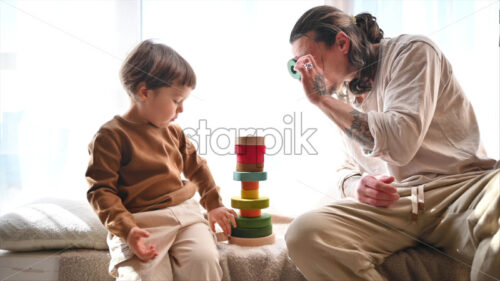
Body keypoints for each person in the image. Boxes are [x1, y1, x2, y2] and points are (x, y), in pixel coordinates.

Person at [285, 5, 500, 281]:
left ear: (341, 42)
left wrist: (322, 100)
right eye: (299, 66)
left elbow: (400, 143)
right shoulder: (340, 97)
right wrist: (355, 186)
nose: (308, 73)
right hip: (397, 203)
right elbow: (345, 167)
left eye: (310, 61)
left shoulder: (412, 52)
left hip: (459, 188)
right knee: (304, 233)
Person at [85, 39, 237, 281]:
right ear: (145, 93)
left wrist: (213, 204)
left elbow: (197, 167)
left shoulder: (173, 131)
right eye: (177, 101)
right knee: (144, 276)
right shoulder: (110, 136)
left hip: (186, 216)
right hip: (142, 222)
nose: (182, 110)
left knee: (203, 262)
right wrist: (128, 230)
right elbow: (101, 191)